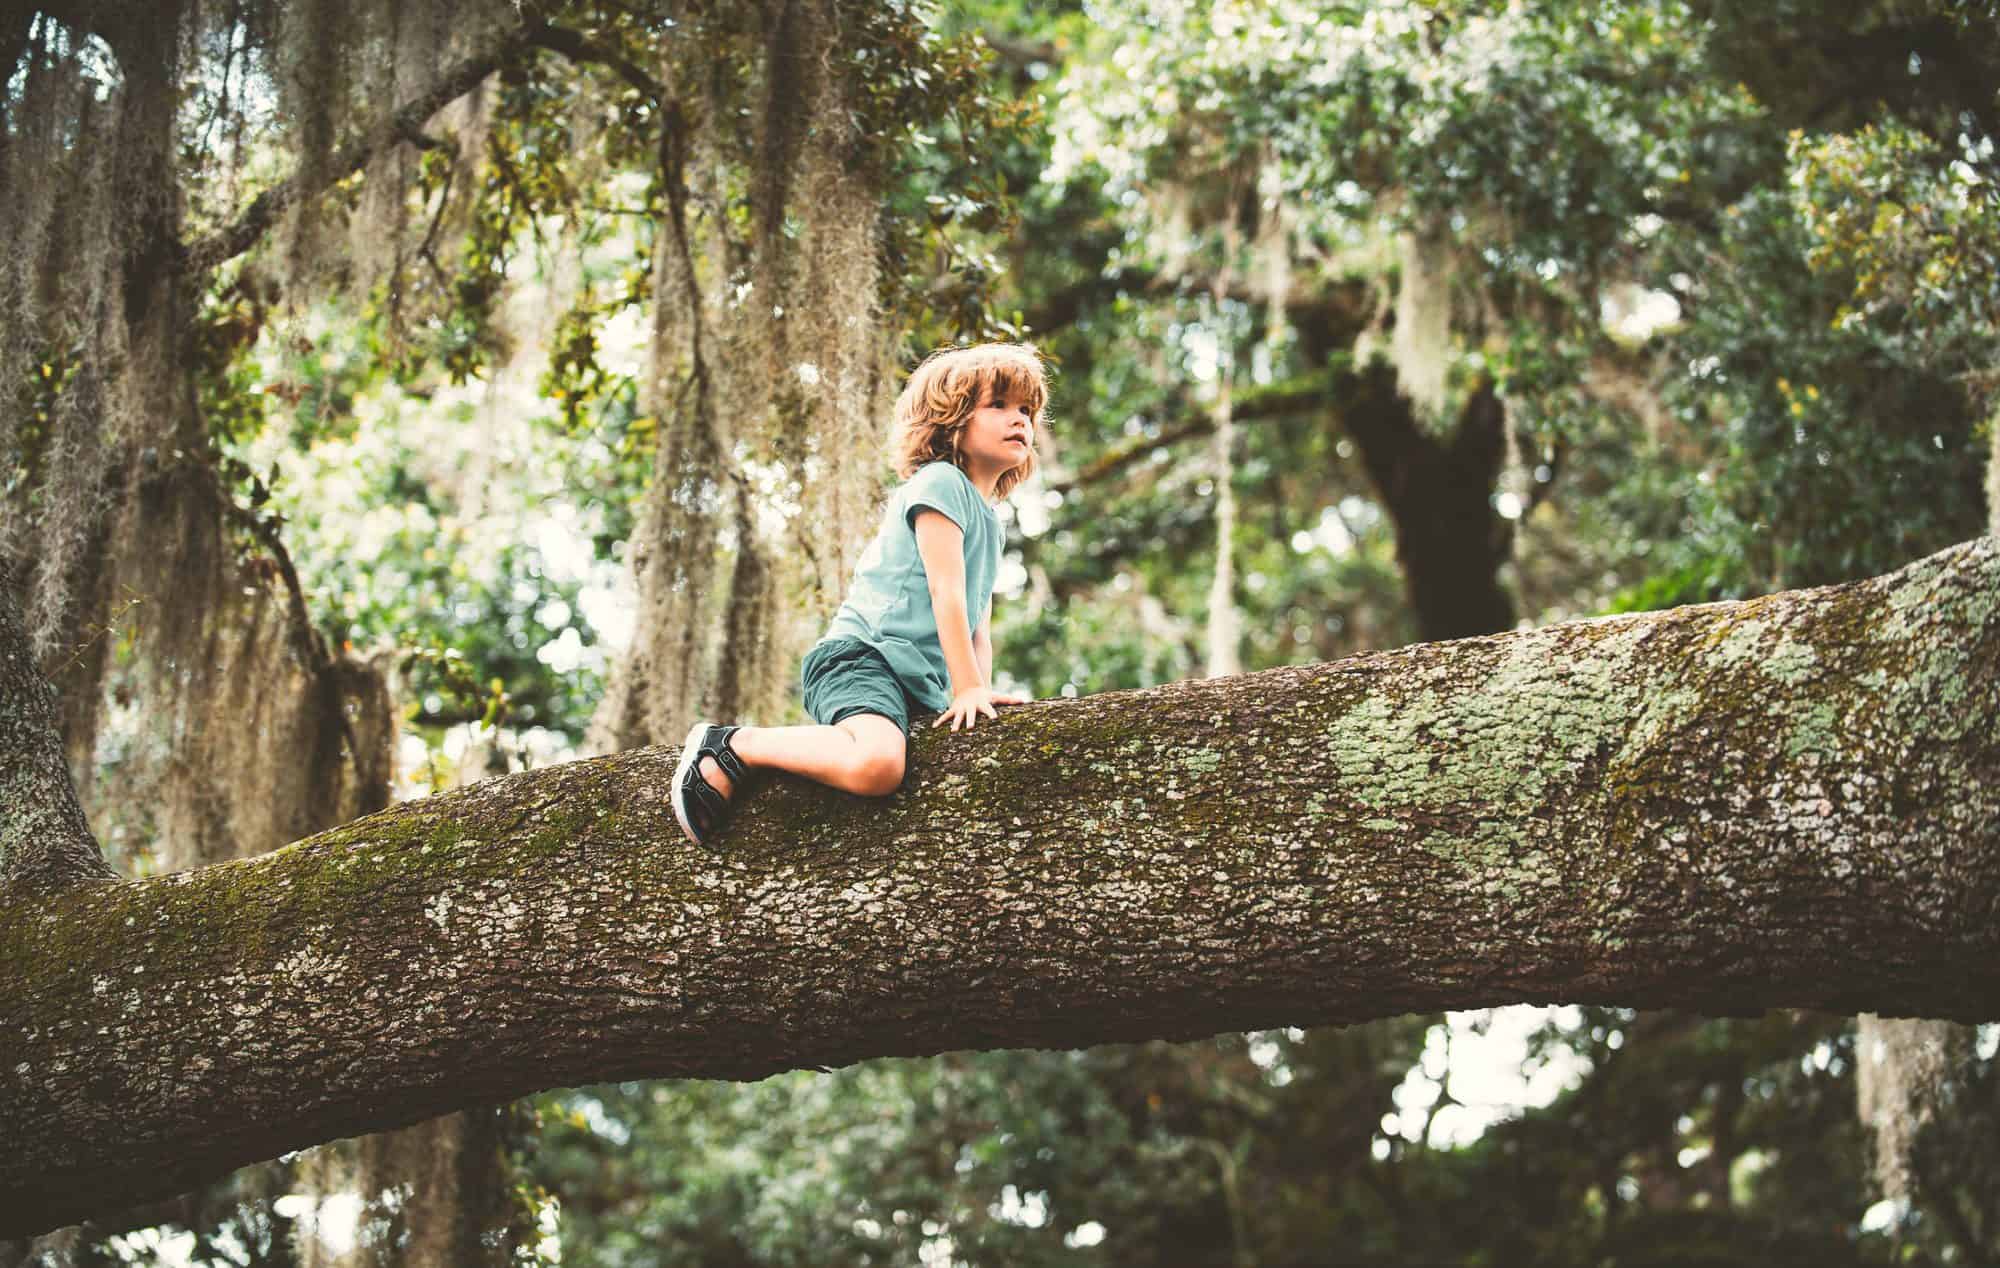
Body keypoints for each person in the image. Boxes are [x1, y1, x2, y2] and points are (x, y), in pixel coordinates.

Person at [670, 342, 1045, 847]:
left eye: (1026, 409)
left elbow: (979, 624)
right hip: (861, 660)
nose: (1018, 419)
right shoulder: (941, 483)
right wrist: (966, 688)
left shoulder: (991, 524)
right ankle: (733, 745)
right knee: (879, 766)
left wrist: (981, 691)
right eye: (998, 405)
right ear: (951, 418)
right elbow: (946, 592)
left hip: (915, 687)